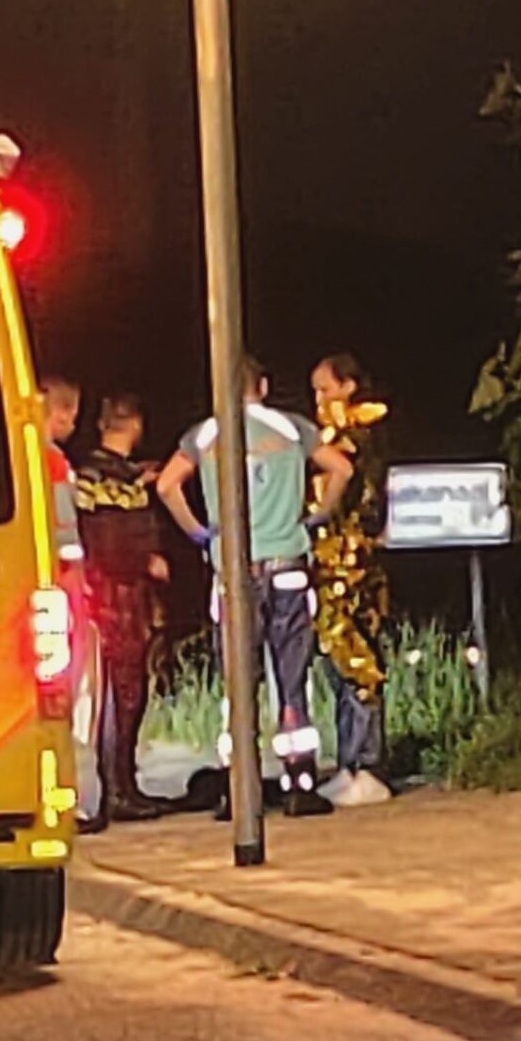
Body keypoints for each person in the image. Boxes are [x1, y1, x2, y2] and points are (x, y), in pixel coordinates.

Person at [157, 357, 354, 817]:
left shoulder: (206, 434)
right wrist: (317, 515)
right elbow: (341, 469)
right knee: (292, 679)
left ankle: (238, 790)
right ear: (262, 386)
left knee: (239, 681)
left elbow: (167, 485)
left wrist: (200, 533)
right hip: (287, 564)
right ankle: (300, 783)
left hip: (233, 573)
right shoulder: (292, 428)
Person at [76, 394, 173, 823]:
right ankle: (117, 791)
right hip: (116, 599)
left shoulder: (106, 474)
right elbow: (108, 540)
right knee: (122, 696)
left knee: (128, 694)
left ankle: (124, 784)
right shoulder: (99, 479)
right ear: (134, 424)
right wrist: (145, 561)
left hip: (120, 599)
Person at [311, 353, 395, 807]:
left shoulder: (358, 437)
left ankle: (367, 764)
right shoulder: (333, 437)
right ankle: (349, 763)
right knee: (337, 661)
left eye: (325, 389)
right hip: (330, 564)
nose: (319, 400)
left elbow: (358, 497)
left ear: (348, 387)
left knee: (358, 659)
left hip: (354, 567)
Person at [37, 374, 105, 830]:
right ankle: (78, 799)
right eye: (71, 415)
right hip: (63, 589)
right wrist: (80, 581)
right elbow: (66, 533)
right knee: (75, 692)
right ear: (58, 412)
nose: (73, 425)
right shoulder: (54, 462)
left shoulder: (17, 456)